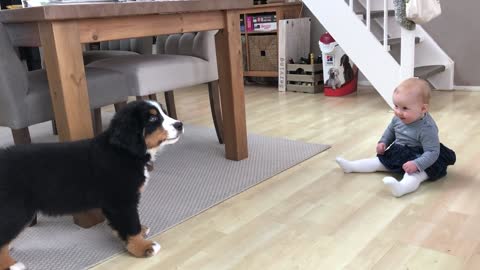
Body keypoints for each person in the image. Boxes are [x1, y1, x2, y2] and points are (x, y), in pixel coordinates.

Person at [335, 78, 456, 197]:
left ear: (423, 109)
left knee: (414, 175)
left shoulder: (427, 128)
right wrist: (383, 142)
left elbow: (432, 152)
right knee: (379, 162)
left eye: (404, 108)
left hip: (422, 157)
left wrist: (417, 164)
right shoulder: (398, 118)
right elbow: (391, 131)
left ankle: (402, 188)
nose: (398, 112)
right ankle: (351, 166)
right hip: (400, 151)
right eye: (396, 106)